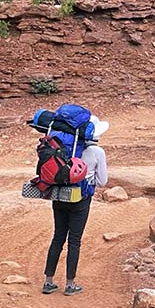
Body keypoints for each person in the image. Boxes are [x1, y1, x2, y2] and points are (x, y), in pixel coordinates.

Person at [42, 116, 109, 296]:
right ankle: (70, 284)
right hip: (81, 199)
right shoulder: (97, 152)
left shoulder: (63, 147)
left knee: (58, 237)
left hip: (59, 195)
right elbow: (102, 181)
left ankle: (48, 282)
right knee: (74, 241)